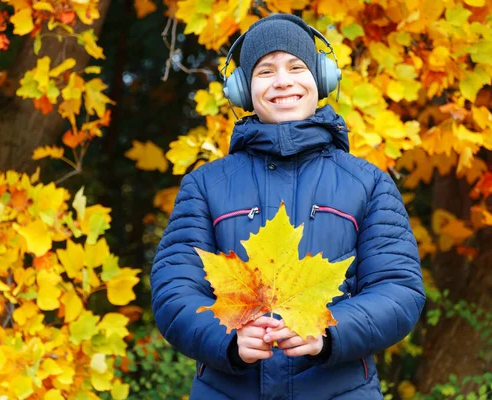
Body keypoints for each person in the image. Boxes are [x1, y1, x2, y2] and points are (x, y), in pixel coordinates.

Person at [151, 13, 425, 400]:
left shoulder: (369, 183)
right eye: (265, 71)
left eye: (296, 67)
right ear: (243, 90)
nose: (283, 81)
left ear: (321, 79)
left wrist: (329, 330)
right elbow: (173, 290)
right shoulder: (205, 185)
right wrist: (227, 336)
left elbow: (399, 290)